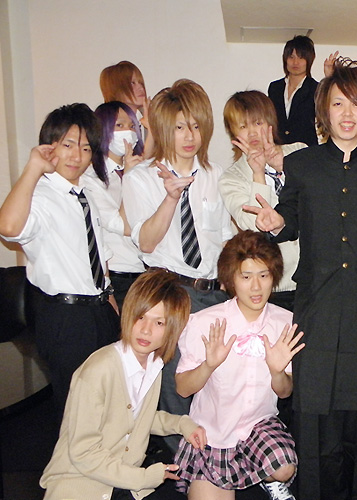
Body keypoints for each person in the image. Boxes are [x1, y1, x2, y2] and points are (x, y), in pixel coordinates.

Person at [244, 57, 357, 500]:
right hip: (317, 307)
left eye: (356, 104)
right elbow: (290, 217)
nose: (347, 113)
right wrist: (275, 221)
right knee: (314, 412)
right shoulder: (302, 165)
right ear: (325, 110)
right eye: (338, 103)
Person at [122, 79, 233, 454]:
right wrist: (170, 198)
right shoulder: (140, 178)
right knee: (173, 387)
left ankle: (213, 459)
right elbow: (146, 242)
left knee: (213, 381)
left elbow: (225, 237)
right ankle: (179, 464)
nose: (189, 136)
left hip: (213, 293)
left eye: (196, 126)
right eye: (180, 127)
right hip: (168, 292)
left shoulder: (216, 175)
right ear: (163, 129)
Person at [39, 269, 207, 500]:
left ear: (173, 330)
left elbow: (137, 418)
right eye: (140, 317)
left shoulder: (153, 364)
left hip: (119, 483)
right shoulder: (98, 371)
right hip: (79, 484)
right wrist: (143, 478)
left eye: (159, 322)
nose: (146, 330)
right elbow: (83, 453)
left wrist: (182, 424)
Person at [0, 103, 121, 419]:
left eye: (85, 148)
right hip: (65, 317)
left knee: (106, 403)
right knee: (75, 412)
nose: (77, 156)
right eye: (68, 145)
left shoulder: (84, 194)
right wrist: (33, 168)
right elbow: (8, 227)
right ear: (48, 146)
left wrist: (109, 296)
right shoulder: (38, 195)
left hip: (100, 310)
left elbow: (97, 251)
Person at [173, 231, 304, 500]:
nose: (256, 287)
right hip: (212, 435)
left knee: (284, 467)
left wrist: (277, 371)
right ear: (231, 279)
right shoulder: (205, 322)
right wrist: (208, 366)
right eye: (246, 277)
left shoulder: (285, 322)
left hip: (258, 429)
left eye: (263, 275)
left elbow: (284, 392)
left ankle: (268, 478)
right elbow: (183, 389)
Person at [218, 90, 305, 312]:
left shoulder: (299, 152)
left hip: (314, 279)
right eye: (242, 126)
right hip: (270, 287)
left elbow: (320, 202)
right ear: (233, 132)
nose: (252, 132)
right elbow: (252, 227)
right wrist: (258, 175)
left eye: (257, 123)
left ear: (270, 122)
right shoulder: (231, 178)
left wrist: (284, 168)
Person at [87, 101, 147, 309]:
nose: (128, 132)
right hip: (117, 275)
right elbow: (123, 225)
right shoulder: (91, 178)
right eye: (119, 126)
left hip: (145, 273)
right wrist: (129, 178)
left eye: (132, 126)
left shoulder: (138, 170)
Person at [267, 35, 337, 147]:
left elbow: (330, 110)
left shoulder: (316, 88)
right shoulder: (275, 87)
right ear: (285, 59)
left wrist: (330, 78)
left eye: (301, 58)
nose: (295, 62)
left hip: (305, 149)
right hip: (277, 148)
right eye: (291, 57)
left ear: (309, 60)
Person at [100, 60, 154, 158]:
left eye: (140, 83)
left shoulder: (150, 115)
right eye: (132, 83)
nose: (141, 88)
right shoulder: (106, 121)